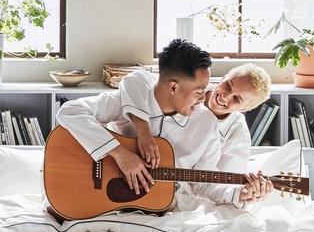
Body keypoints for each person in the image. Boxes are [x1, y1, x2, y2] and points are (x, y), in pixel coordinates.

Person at [54, 40, 272, 207]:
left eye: (236, 99)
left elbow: (203, 181)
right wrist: (120, 154)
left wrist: (238, 194)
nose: (203, 97)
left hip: (163, 206)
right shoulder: (132, 98)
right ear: (173, 87)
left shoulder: (207, 123)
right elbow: (70, 111)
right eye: (198, 92)